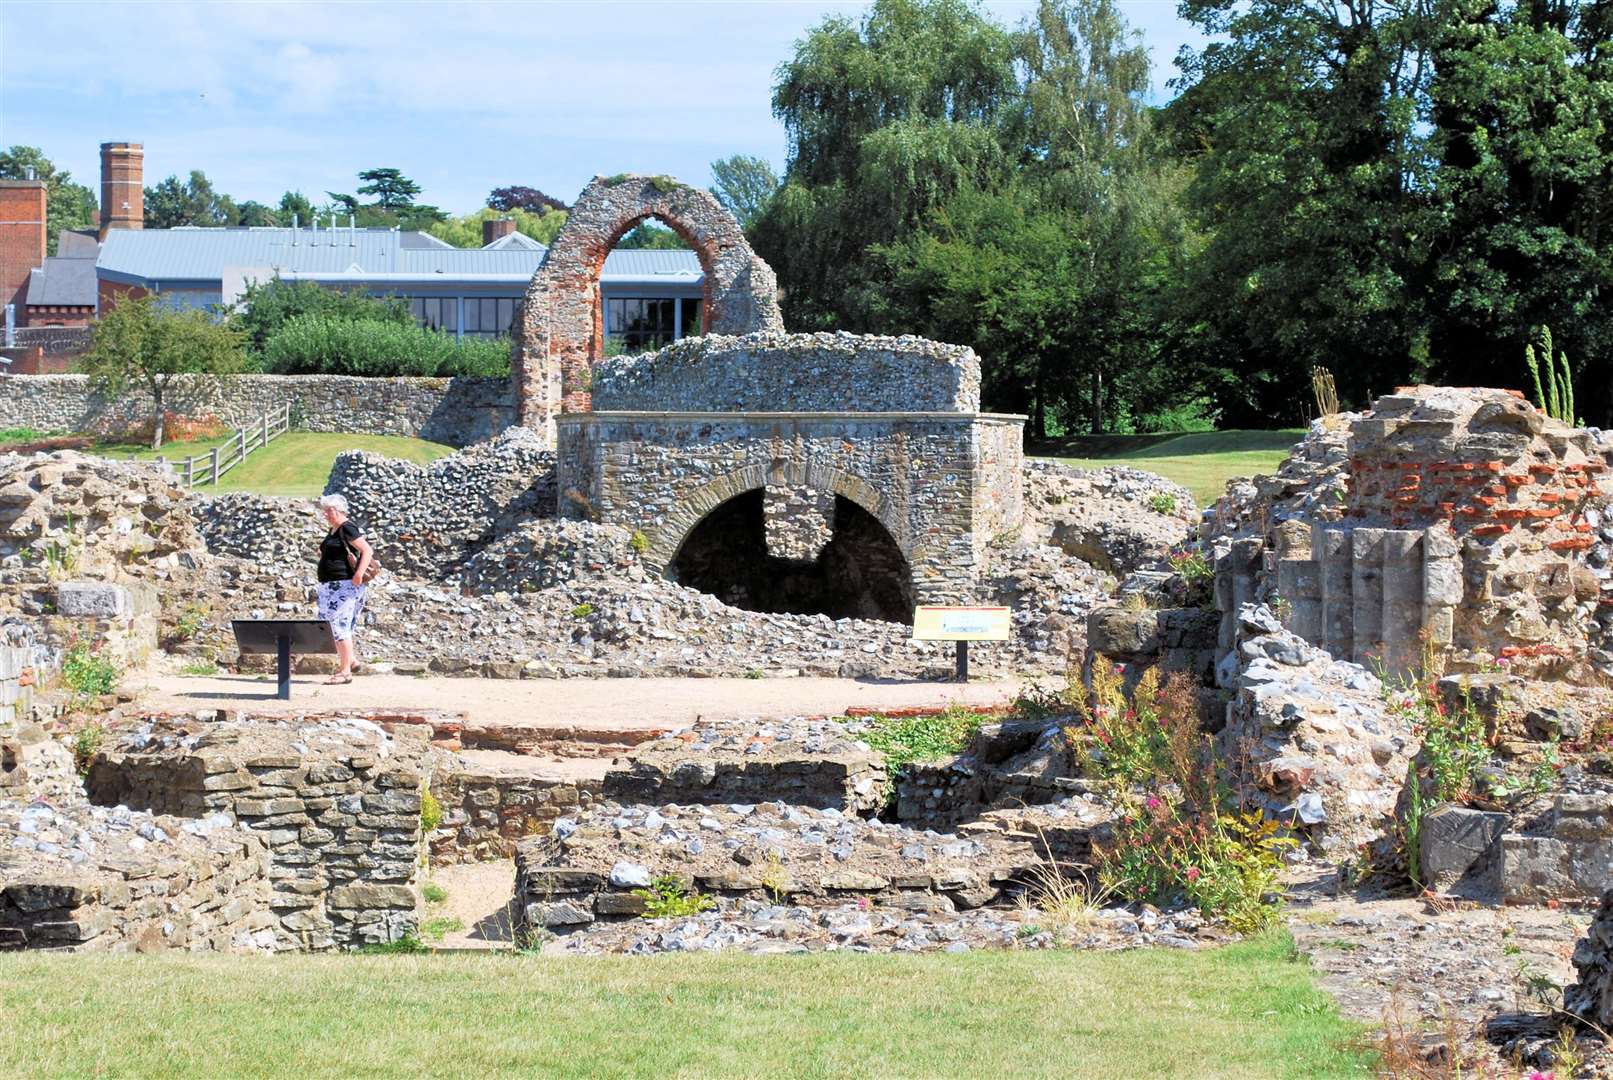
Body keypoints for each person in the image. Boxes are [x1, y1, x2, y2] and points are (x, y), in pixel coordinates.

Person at [314, 493, 373, 685]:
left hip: (344, 585)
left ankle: (345, 670)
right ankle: (351, 660)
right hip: (331, 585)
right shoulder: (335, 530)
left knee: (338, 625)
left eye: (327, 511)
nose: (325, 515)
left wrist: (358, 574)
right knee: (330, 624)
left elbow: (366, 550)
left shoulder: (347, 527)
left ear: (336, 510)